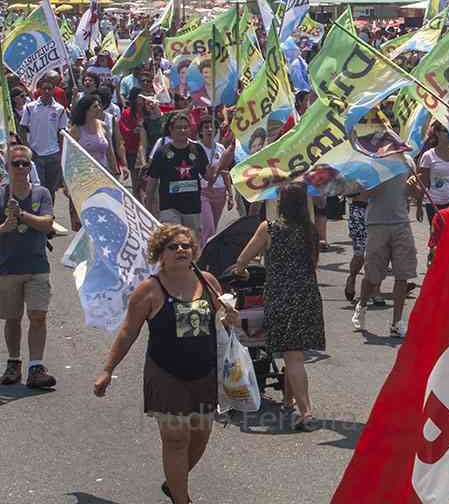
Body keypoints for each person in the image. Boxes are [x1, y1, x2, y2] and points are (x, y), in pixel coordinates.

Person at [94, 224, 235, 504]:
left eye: (186, 246)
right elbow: (127, 333)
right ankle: (182, 499)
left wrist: (231, 317)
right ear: (161, 254)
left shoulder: (207, 281)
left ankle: (173, 484)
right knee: (175, 440)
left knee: (200, 437)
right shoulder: (149, 290)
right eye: (173, 247)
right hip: (165, 374)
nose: (181, 250)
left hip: (204, 372)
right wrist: (108, 370)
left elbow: (224, 321)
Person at [231, 183, 325, 431]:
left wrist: (240, 271)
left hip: (281, 296)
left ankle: (306, 413)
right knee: (294, 353)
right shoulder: (311, 231)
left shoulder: (269, 229)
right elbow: (313, 264)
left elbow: (242, 260)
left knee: (292, 356)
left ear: (281, 203)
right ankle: (288, 399)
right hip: (307, 295)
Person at [0, 145, 57, 389]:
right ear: (7, 167)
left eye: (25, 164)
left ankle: (36, 366)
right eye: (16, 164)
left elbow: (47, 223)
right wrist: (4, 227)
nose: (21, 168)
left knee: (38, 316)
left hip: (37, 266)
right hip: (7, 268)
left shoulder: (41, 193)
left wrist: (22, 216)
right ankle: (14, 362)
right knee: (13, 319)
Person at [353, 169, 418, 338]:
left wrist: (412, 187)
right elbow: (361, 195)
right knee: (372, 276)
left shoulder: (407, 162)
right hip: (377, 224)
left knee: (402, 274)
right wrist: (376, 182)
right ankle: (362, 305)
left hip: (402, 223)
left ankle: (397, 323)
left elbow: (414, 193)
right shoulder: (373, 165)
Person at [146, 112, 211, 234]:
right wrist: (148, 207)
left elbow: (207, 177)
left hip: (192, 207)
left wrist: (213, 170)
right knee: (173, 240)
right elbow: (152, 182)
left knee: (191, 243)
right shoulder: (162, 152)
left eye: (185, 127)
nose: (182, 130)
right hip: (169, 206)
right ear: (170, 129)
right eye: (178, 127)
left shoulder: (197, 149)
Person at [18, 77, 69, 203]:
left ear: (53, 90)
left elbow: (62, 133)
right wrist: (27, 148)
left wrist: (62, 153)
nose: (46, 91)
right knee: (39, 187)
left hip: (53, 154)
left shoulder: (60, 109)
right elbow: (22, 128)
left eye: (49, 89)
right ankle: (40, 213)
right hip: (36, 154)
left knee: (51, 189)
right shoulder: (30, 107)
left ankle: (49, 213)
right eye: (44, 88)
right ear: (39, 90)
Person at [417, 121, 449, 222]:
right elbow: (423, 183)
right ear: (437, 133)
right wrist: (419, 206)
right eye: (445, 130)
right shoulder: (428, 155)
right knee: (437, 235)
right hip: (434, 203)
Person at [195, 119, 233, 248]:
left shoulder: (220, 148)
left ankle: (205, 253)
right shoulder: (196, 147)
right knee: (208, 228)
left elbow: (225, 171)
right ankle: (203, 258)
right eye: (206, 127)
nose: (210, 130)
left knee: (213, 230)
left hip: (220, 193)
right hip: (203, 192)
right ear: (200, 131)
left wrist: (230, 195)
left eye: (212, 127)